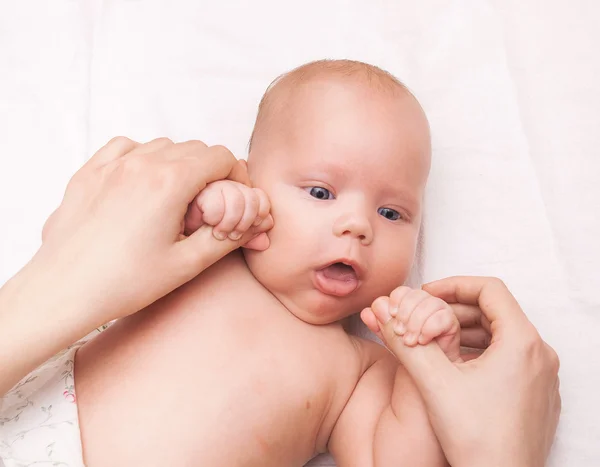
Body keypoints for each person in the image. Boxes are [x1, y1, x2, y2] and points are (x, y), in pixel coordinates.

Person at [0, 60, 560, 467]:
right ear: (250, 180)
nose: (358, 225)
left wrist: (425, 368)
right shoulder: (199, 261)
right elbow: (95, 252)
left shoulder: (360, 371)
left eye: (392, 212)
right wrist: (210, 207)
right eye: (321, 193)